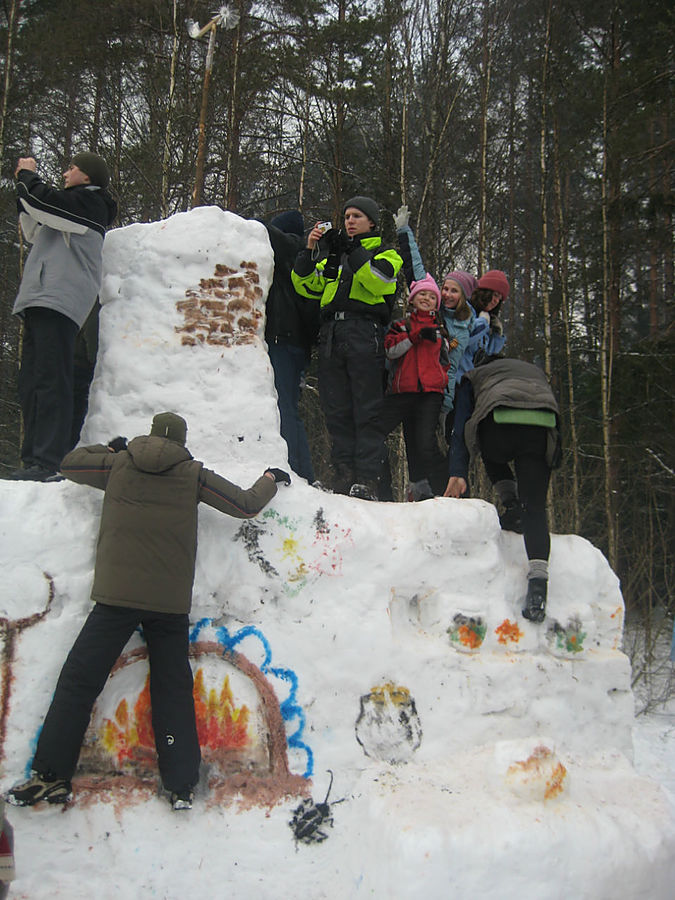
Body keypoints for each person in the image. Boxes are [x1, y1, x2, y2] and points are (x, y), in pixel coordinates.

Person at [5, 412, 290, 811]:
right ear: (182, 442)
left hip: (115, 599)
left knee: (79, 682)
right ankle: (181, 785)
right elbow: (245, 505)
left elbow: (69, 464)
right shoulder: (193, 475)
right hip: (168, 605)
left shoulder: (118, 464)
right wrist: (270, 478)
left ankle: (50, 776)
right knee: (172, 690)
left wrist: (110, 448)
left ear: (150, 435)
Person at [9, 151, 117, 481]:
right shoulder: (67, 207)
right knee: (32, 382)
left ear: (87, 176)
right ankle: (33, 460)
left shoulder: (91, 204)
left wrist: (27, 177)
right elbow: (33, 224)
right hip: (42, 298)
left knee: (51, 379)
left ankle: (49, 460)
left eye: (72, 168)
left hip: (60, 300)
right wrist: (23, 193)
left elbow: (41, 203)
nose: (66, 173)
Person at [292, 196, 402, 500]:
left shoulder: (386, 253)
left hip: (364, 331)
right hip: (331, 333)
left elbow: (379, 281)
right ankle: (343, 474)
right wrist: (310, 250)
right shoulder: (336, 254)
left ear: (372, 222)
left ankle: (367, 479)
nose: (350, 221)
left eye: (357, 216)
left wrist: (353, 251)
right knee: (336, 408)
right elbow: (306, 285)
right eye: (347, 216)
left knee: (366, 409)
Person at [444, 357, 562, 623]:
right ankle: (538, 589)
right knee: (535, 508)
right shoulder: (534, 371)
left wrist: (458, 472)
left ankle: (511, 504)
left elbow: (460, 426)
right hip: (541, 428)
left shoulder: (474, 376)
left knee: (489, 448)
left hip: (500, 429)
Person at [380, 273, 451, 500]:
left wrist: (440, 380)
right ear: (412, 299)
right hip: (401, 392)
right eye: (422, 294)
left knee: (425, 444)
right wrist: (414, 337)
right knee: (374, 433)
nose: (426, 298)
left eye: (432, 296)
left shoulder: (441, 330)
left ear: (436, 303)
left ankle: (445, 493)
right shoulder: (401, 325)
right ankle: (379, 490)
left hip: (430, 394)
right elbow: (390, 351)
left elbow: (446, 361)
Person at [264, 211, 319, 482]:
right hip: (293, 344)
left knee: (284, 406)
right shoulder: (299, 258)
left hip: (285, 341)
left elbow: (265, 230)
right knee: (288, 407)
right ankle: (301, 470)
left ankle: (295, 469)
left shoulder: (293, 251)